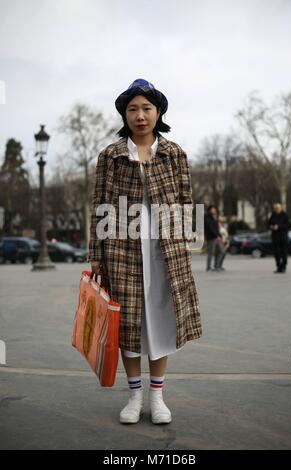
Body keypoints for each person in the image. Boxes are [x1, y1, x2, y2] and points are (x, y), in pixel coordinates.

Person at [88, 78, 202, 425]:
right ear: (125, 114)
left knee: (163, 320)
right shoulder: (111, 155)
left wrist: (188, 241)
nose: (140, 115)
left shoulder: (174, 153)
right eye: (133, 109)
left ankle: (157, 395)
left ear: (158, 112)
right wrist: (96, 253)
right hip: (122, 249)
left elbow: (185, 200)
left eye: (147, 108)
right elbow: (100, 205)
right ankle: (134, 396)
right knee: (128, 324)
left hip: (165, 249)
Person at [268, 202, 291, 273]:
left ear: (281, 208)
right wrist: (271, 226)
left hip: (283, 237)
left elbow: (288, 225)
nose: (276, 209)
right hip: (275, 237)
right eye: (275, 208)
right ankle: (278, 266)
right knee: (276, 253)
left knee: (284, 252)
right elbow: (268, 223)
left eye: (278, 208)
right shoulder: (273, 215)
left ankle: (283, 266)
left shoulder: (285, 215)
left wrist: (279, 227)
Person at [204, 205, 225, 271]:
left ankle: (217, 266)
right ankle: (208, 267)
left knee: (222, 251)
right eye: (213, 209)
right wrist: (217, 236)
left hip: (217, 237)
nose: (214, 210)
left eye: (215, 209)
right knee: (211, 252)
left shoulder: (214, 217)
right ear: (210, 210)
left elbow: (216, 228)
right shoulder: (207, 217)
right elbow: (210, 228)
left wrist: (220, 236)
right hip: (211, 238)